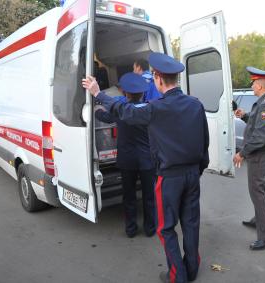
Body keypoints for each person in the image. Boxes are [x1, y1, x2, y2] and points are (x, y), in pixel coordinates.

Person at [82, 52, 209, 283]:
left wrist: (98, 93)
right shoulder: (195, 105)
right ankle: (191, 270)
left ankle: (177, 276)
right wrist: (197, 170)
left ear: (159, 78)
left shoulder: (156, 108)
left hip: (170, 177)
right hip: (192, 174)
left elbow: (124, 111)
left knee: (166, 228)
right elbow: (204, 144)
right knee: (191, 225)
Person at [95, 73, 156, 238]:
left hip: (127, 161)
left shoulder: (121, 110)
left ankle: (131, 229)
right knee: (149, 196)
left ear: (125, 94)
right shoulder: (151, 110)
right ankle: (150, 229)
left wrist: (96, 111)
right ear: (143, 93)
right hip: (147, 161)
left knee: (128, 196)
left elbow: (104, 117)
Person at [232, 66, 265, 250]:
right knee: (261, 190)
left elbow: (259, 138)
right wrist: (244, 116)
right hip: (262, 156)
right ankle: (258, 220)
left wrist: (241, 153)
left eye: (253, 82)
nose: (252, 85)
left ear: (260, 85)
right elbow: (257, 124)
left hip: (260, 157)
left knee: (257, 193)